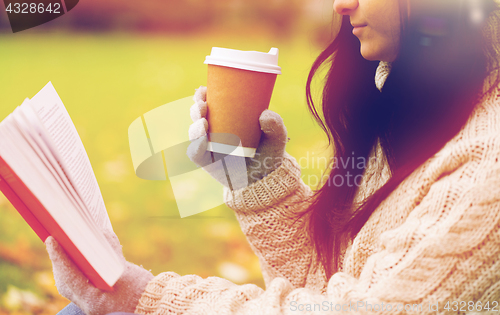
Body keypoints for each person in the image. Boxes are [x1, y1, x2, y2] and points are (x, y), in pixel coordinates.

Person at [48, 0, 500, 313]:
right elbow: (329, 284)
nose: (341, 5)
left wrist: (143, 297)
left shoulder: (487, 165)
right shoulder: (427, 113)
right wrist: (257, 179)